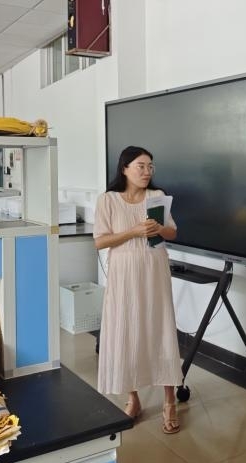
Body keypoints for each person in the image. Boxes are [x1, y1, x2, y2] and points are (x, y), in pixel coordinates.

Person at [93, 145, 183, 434]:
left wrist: (158, 229)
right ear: (125, 168)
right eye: (141, 166)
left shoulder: (157, 196)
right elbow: (100, 241)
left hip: (154, 270)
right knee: (125, 330)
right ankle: (133, 398)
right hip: (123, 274)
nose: (147, 172)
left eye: (150, 166)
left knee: (160, 329)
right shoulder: (108, 200)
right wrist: (133, 231)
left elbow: (172, 232)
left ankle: (170, 401)